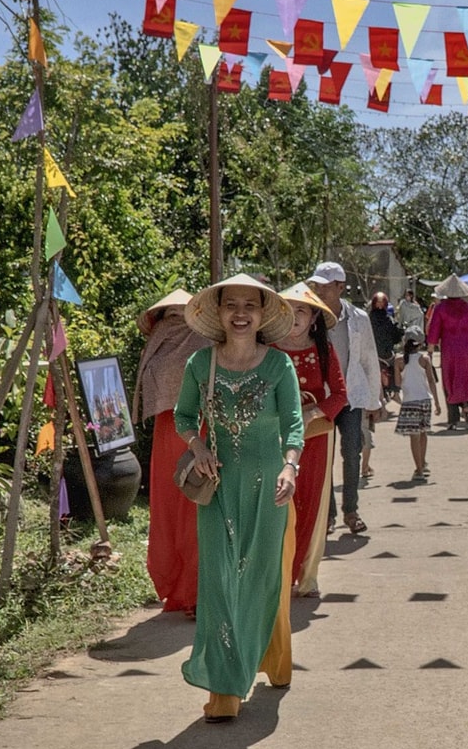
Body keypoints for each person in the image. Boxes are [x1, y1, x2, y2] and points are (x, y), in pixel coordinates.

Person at [174, 276, 304, 722]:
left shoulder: (279, 366)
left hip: (269, 487)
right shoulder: (199, 363)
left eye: (251, 305)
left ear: (263, 313)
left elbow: (294, 424)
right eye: (233, 305)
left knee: (264, 579)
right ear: (220, 312)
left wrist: (290, 467)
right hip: (218, 487)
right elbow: (183, 416)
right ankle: (225, 687)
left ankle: (273, 659)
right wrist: (198, 446)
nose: (241, 313)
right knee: (219, 581)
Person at [134, 288, 208, 617]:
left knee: (179, 509)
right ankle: (190, 591)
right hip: (193, 431)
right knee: (190, 508)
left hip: (179, 432)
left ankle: (189, 590)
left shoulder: (161, 341)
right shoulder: (203, 338)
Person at [276, 284, 346, 596]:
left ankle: (307, 575)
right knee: (281, 502)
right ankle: (278, 572)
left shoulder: (324, 351)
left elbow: (341, 395)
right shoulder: (268, 351)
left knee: (312, 503)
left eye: (301, 310)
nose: (294, 317)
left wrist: (313, 411)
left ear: (314, 317)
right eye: (288, 310)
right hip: (275, 438)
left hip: (316, 437)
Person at [307, 263, 382, 535]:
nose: (320, 290)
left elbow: (368, 360)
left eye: (326, 286)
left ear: (340, 287)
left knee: (352, 452)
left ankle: (351, 511)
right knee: (322, 457)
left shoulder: (359, 318)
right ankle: (327, 515)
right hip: (320, 399)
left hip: (351, 397)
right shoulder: (310, 318)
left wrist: (375, 401)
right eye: (317, 285)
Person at [424, 275, 468, 431]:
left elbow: (434, 331)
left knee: (449, 381)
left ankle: (453, 419)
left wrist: (429, 351)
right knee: (465, 376)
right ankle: (466, 403)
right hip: (466, 349)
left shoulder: (440, 308)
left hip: (449, 350)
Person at [393, 327, 442, 480]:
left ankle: (419, 469)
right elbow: (432, 381)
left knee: (414, 436)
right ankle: (423, 462)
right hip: (425, 400)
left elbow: (398, 383)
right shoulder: (425, 359)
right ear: (420, 343)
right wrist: (438, 403)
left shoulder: (399, 360)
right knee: (423, 432)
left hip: (409, 401)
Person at [368, 289, 401, 412]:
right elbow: (396, 336)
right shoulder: (388, 319)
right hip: (385, 354)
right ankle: (396, 393)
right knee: (397, 366)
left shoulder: (368, 319)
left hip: (373, 354)